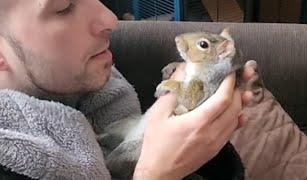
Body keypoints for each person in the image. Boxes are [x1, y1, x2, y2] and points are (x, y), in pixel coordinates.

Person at [0, 0, 256, 179]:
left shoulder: (99, 90)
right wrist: (156, 173)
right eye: (64, 7)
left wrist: (200, 139)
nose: (111, 19)